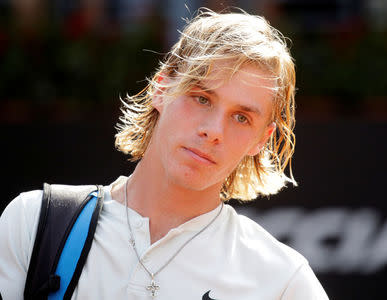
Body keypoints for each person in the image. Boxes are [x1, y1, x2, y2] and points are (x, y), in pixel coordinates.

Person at [0, 8, 329, 300]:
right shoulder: (33, 223)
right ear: (161, 88)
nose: (213, 130)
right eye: (202, 98)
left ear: (262, 139)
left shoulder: (282, 281)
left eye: (241, 117)